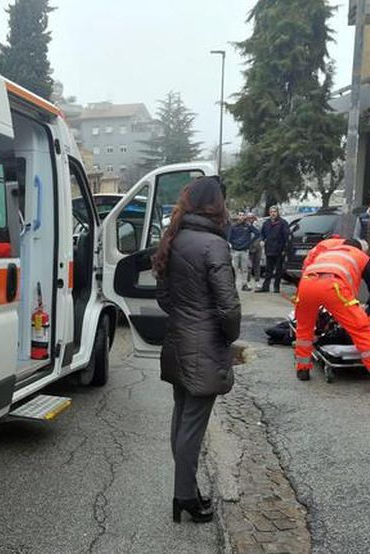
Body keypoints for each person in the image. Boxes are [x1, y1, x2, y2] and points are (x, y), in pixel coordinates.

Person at [154, 176, 241, 524]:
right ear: (216, 205)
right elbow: (229, 308)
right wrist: (228, 336)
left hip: (177, 340)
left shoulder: (174, 238)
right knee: (192, 425)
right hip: (204, 346)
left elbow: (163, 296)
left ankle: (185, 490)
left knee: (181, 418)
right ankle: (185, 496)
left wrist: (184, 317)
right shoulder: (213, 244)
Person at [292, 237, 370, 393]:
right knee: (361, 329)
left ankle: (302, 368)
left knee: (304, 327)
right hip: (333, 287)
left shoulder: (328, 252)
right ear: (359, 248)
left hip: (306, 284)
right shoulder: (359, 255)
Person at [257, 205, 289, 293]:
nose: (273, 213)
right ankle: (265, 287)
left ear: (277, 212)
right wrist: (262, 240)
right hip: (269, 249)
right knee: (268, 270)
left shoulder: (283, 223)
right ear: (269, 213)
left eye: (274, 212)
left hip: (279, 250)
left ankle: (276, 287)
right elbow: (262, 234)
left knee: (278, 270)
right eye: (271, 212)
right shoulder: (266, 223)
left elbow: (286, 237)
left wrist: (284, 249)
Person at [228, 211, 260, 290]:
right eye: (240, 215)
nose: (241, 217)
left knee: (244, 269)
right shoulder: (233, 226)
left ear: (245, 217)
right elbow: (229, 238)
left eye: (243, 215)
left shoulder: (248, 226)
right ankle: (233, 285)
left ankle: (244, 285)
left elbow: (257, 233)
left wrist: (250, 242)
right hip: (235, 250)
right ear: (238, 216)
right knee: (234, 269)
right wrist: (232, 244)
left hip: (245, 250)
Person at [247, 212, 263, 284]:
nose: (250, 219)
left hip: (257, 247)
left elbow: (261, 235)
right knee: (249, 266)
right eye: (249, 218)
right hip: (248, 247)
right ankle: (248, 281)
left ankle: (257, 281)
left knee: (257, 265)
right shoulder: (246, 225)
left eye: (252, 217)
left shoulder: (258, 224)